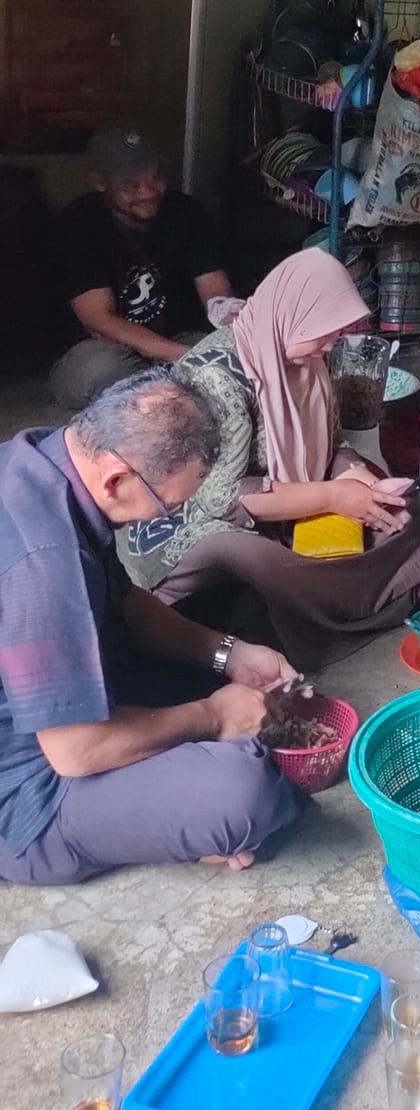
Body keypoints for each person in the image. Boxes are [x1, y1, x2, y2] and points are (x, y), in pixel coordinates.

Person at [0, 372, 304, 885]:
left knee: (236, 615)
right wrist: (211, 716)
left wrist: (228, 652)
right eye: (167, 506)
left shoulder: (46, 459)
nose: (167, 517)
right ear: (117, 479)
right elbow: (76, 751)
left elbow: (124, 603)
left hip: (58, 698)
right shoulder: (46, 565)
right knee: (243, 792)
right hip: (29, 792)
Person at [123, 247, 420, 669]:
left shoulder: (305, 358)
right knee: (257, 559)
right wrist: (333, 497)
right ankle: (402, 593)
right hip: (195, 520)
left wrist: (364, 482)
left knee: (409, 512)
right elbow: (219, 500)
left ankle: (379, 588)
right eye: (323, 333)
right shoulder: (217, 376)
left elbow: (333, 445)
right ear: (293, 316)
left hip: (287, 502)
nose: (329, 345)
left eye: (335, 334)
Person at [50, 126, 232, 409]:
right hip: (103, 350)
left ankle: (163, 397)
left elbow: (215, 290)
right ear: (100, 182)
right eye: (131, 185)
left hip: (176, 339)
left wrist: (233, 326)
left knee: (224, 356)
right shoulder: (78, 225)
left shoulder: (187, 212)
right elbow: (99, 322)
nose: (148, 192)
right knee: (103, 369)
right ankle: (168, 399)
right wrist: (183, 356)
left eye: (155, 178)